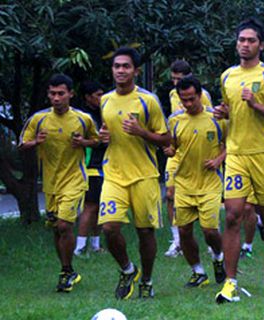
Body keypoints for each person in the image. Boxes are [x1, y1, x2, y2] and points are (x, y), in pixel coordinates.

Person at [213, 18, 264, 303]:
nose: (245, 45)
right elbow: (233, 111)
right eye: (241, 40)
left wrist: (256, 104)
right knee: (232, 215)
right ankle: (231, 282)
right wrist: (224, 113)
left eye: (251, 40)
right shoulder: (227, 77)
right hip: (236, 155)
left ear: (261, 45)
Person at [99, 47, 170, 299]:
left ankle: (147, 280)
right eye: (117, 66)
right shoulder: (105, 100)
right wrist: (102, 136)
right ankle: (128, 270)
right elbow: (106, 130)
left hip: (144, 174)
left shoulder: (148, 101)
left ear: (136, 71)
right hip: (114, 174)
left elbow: (165, 138)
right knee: (109, 228)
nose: (120, 70)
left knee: (145, 232)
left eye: (126, 66)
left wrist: (142, 132)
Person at [19, 74, 99, 292]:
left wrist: (84, 142)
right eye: (52, 94)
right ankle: (68, 270)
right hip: (50, 183)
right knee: (57, 229)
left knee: (64, 225)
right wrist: (36, 142)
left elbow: (97, 139)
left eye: (61, 93)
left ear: (70, 94)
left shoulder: (83, 119)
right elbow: (22, 143)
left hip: (75, 180)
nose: (56, 98)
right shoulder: (39, 119)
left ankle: (66, 272)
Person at [165, 76, 226, 287]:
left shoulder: (217, 118)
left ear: (200, 95)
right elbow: (172, 146)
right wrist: (170, 149)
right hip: (184, 183)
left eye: (192, 99)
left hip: (210, 182)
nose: (188, 104)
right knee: (184, 231)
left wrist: (219, 159)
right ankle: (198, 272)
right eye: (184, 100)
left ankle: (219, 258)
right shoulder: (174, 120)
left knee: (210, 230)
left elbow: (232, 144)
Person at [164, 59, 213, 258]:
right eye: (174, 79)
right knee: (169, 195)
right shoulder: (172, 94)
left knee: (203, 199)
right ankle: (177, 240)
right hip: (178, 152)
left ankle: (211, 240)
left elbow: (210, 121)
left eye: (181, 78)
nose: (177, 83)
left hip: (200, 155)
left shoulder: (204, 96)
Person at [74, 80, 106, 256]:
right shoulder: (83, 117)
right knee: (90, 206)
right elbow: (82, 142)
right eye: (98, 95)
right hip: (91, 166)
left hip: (106, 165)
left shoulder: (104, 114)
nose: (101, 98)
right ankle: (79, 247)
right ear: (87, 98)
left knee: (101, 206)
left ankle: (95, 244)